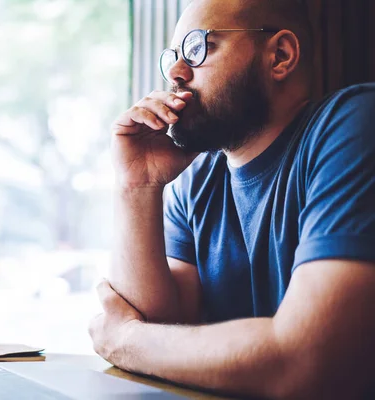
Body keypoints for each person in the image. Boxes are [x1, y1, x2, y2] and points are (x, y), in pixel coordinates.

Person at [88, 0, 375, 398]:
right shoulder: (199, 178)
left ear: (280, 56)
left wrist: (126, 341)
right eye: (171, 57)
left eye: (197, 47)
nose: (175, 71)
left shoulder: (355, 123)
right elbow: (159, 329)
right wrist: (136, 186)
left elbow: (308, 361)